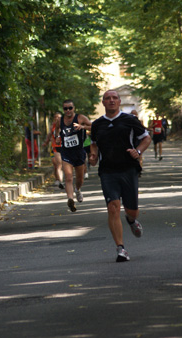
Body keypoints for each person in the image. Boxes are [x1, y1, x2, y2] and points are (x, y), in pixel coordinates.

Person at [89, 90, 151, 262]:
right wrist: (92, 155)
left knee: (132, 211)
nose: (111, 101)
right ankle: (121, 249)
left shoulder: (130, 120)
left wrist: (138, 151)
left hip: (129, 169)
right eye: (107, 98)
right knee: (113, 207)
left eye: (114, 98)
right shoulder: (97, 124)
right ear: (103, 102)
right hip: (107, 171)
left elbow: (146, 138)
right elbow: (92, 143)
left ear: (119, 101)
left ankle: (131, 220)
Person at [56, 99, 92, 212]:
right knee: (68, 177)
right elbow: (56, 130)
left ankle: (77, 190)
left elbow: (93, 127)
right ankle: (70, 199)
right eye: (65, 108)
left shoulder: (80, 118)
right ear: (63, 109)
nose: (68, 110)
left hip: (79, 152)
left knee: (80, 178)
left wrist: (82, 127)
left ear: (74, 108)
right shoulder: (60, 120)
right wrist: (57, 136)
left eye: (70, 108)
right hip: (66, 152)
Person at [42, 111, 64, 189]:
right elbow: (49, 135)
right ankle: (58, 180)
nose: (57, 118)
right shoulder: (53, 126)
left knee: (61, 164)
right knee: (56, 164)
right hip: (54, 147)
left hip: (64, 147)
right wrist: (46, 142)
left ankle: (61, 179)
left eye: (59, 117)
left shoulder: (65, 125)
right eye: (56, 117)